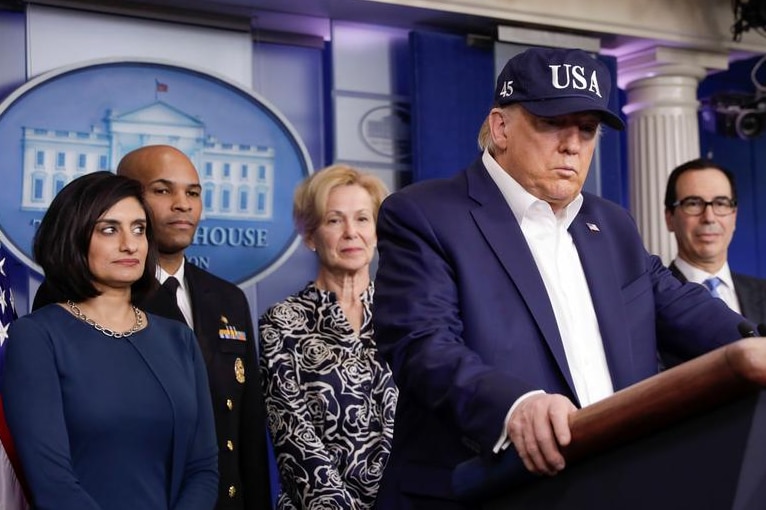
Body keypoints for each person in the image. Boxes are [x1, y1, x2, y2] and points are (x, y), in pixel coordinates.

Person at [371, 47, 751, 509]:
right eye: (553, 123)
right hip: (485, 491)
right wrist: (515, 407)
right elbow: (422, 345)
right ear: (501, 127)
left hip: (614, 486)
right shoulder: (424, 215)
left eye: (587, 130)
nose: (573, 144)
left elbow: (683, 307)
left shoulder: (612, 225)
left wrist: (756, 344)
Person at [32, 145, 273, 510]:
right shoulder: (67, 303)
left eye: (193, 192)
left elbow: (246, 431)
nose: (182, 204)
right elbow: (55, 460)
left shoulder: (227, 298)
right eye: (163, 190)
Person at [2, 171, 218, 510]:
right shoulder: (37, 337)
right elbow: (52, 482)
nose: (130, 244)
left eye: (139, 229)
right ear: (72, 236)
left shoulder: (179, 339)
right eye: (109, 229)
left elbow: (203, 469)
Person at [258, 164, 398, 509]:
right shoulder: (282, 323)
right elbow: (294, 439)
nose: (351, 232)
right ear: (310, 235)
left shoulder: (409, 315)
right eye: (335, 220)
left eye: (363, 219)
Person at [664, 158, 766, 324]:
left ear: (734, 216)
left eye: (721, 203)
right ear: (669, 218)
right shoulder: (650, 301)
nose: (709, 218)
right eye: (693, 204)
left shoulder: (762, 293)